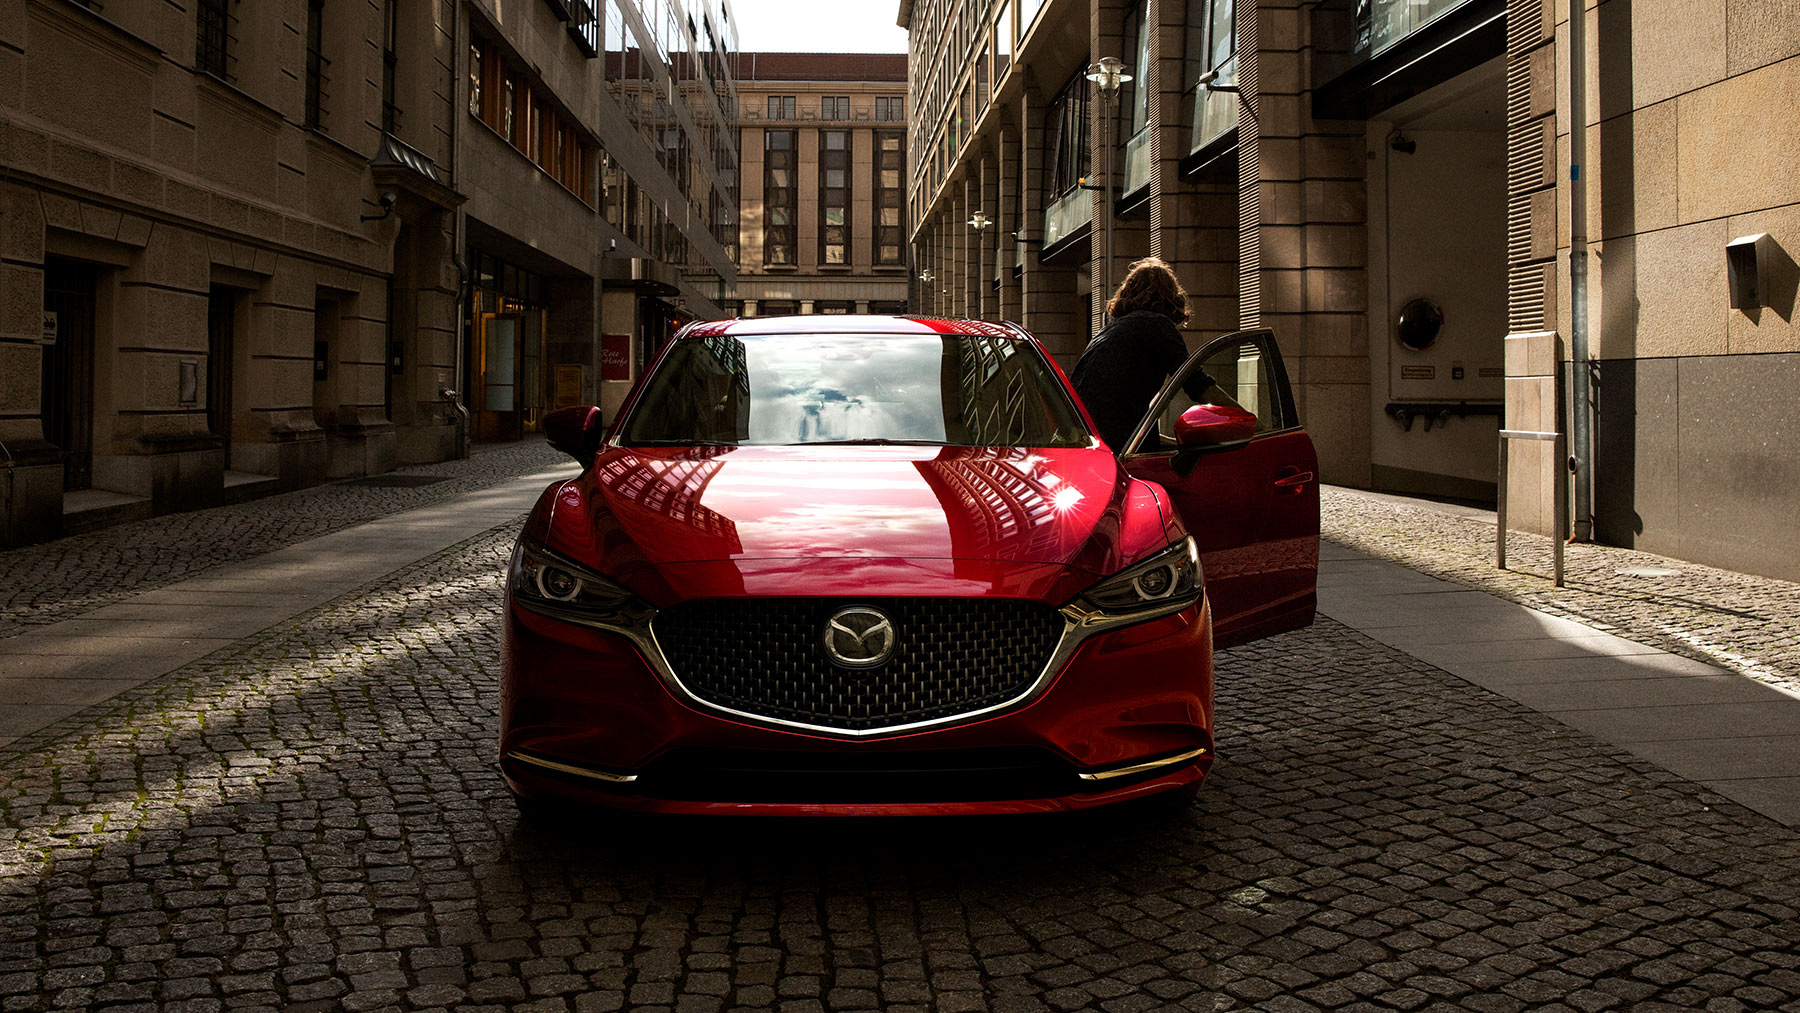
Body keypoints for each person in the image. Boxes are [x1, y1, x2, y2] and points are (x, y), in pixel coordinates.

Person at [1070, 257, 1239, 452]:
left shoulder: (1110, 331)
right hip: (1118, 451)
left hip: (1088, 443)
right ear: (1171, 296)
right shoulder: (1157, 325)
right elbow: (1197, 383)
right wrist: (1249, 421)